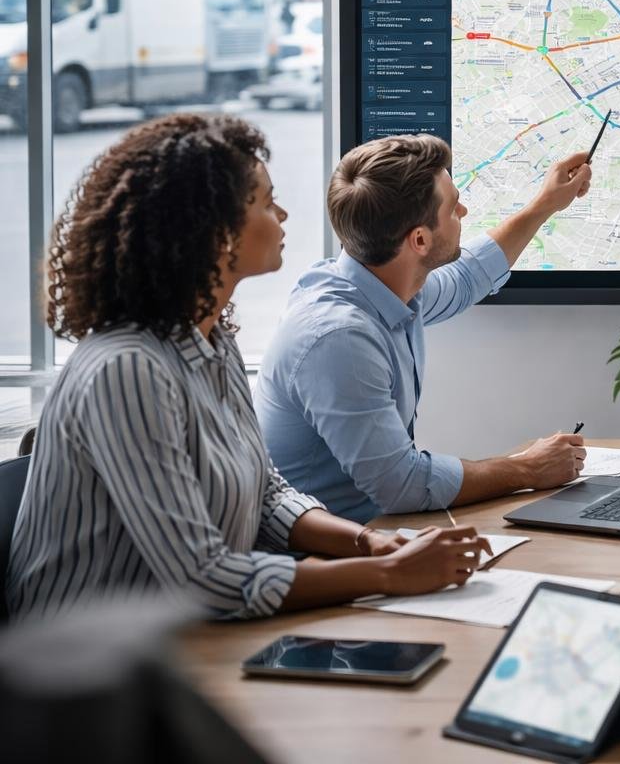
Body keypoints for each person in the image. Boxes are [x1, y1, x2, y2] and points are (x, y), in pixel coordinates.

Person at [6, 114, 489, 623]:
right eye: (263, 202)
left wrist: (373, 544)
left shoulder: (212, 341)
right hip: (89, 669)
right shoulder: (126, 370)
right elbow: (203, 577)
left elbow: (266, 495)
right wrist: (391, 575)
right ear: (214, 234)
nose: (281, 213)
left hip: (179, 639)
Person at [257, 134, 591, 524]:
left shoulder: (384, 284)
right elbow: (402, 484)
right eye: (453, 208)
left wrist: (546, 204)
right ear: (419, 240)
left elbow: (468, 276)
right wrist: (529, 469)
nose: (463, 211)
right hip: (329, 559)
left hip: (380, 531)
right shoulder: (338, 338)